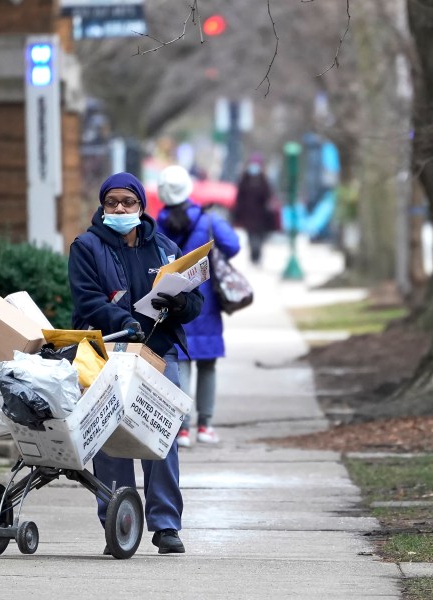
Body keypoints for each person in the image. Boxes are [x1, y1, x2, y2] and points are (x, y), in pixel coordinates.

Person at [67, 172, 204, 554]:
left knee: (161, 436)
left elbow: (194, 302)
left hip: (159, 353)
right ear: (103, 206)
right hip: (108, 352)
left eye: (128, 202)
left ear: (141, 205)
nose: (120, 209)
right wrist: (121, 321)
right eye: (112, 202)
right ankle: (118, 522)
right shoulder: (86, 246)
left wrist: (180, 303)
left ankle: (165, 526)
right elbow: (87, 300)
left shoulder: (164, 248)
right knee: (112, 439)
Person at [155, 165, 241, 447]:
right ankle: (205, 426)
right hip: (206, 304)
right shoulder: (208, 220)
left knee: (181, 363)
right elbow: (233, 245)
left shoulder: (157, 224)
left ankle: (182, 429)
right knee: (208, 365)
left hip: (174, 302)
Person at [233, 153, 274, 265]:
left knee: (259, 236)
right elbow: (239, 197)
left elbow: (268, 196)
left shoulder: (264, 180)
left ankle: (257, 254)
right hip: (248, 214)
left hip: (261, 216)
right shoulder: (244, 179)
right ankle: (253, 255)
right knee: (251, 236)